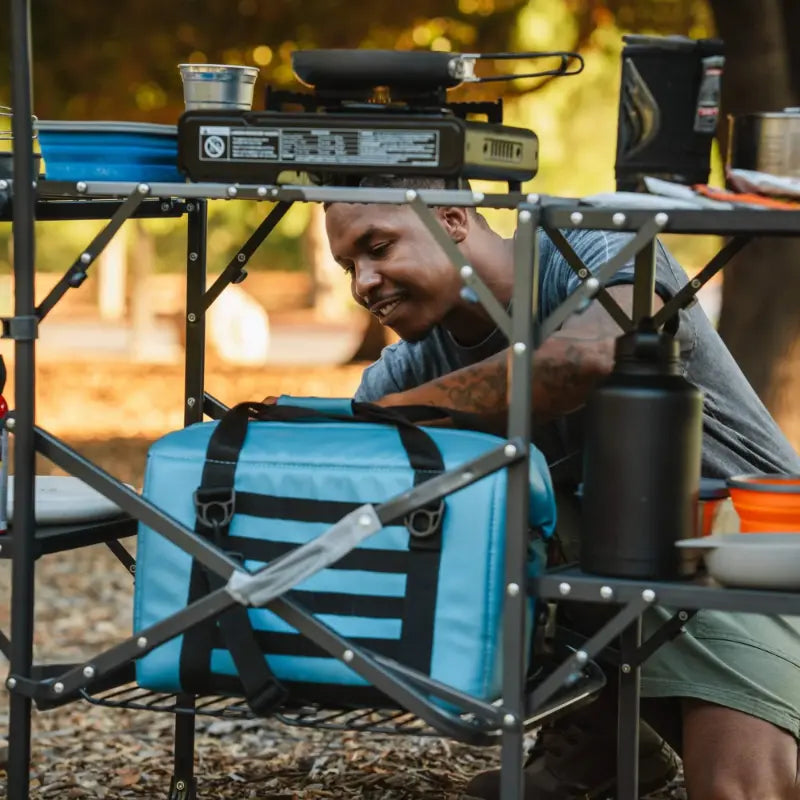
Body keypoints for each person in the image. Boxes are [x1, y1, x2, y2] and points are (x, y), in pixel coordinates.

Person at [321, 175, 800, 800]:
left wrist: (388, 416)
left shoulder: (592, 239)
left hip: (742, 558)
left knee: (736, 789)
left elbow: (594, 356)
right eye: (347, 266)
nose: (363, 283)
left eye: (378, 247)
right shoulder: (406, 370)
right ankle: (605, 731)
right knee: (466, 526)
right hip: (605, 571)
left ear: (452, 218)